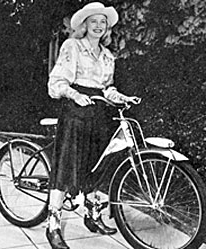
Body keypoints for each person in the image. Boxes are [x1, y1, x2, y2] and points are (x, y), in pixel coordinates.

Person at [46, 2, 140, 249]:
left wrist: (122, 98)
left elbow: (107, 88)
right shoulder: (72, 46)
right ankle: (52, 224)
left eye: (103, 22)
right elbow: (56, 83)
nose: (98, 26)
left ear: (107, 28)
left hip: (98, 112)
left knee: (96, 165)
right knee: (67, 165)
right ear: (84, 25)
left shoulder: (108, 56)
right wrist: (75, 95)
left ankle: (92, 215)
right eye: (93, 22)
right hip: (75, 110)